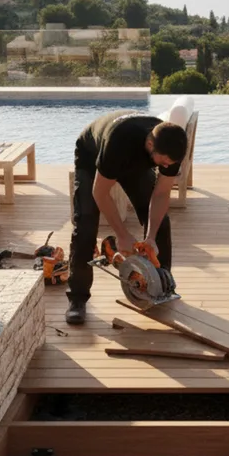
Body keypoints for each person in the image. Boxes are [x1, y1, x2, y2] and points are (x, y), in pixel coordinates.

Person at [66, 110, 188, 325]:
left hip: (134, 159)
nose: (167, 166)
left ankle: (161, 287)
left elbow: (161, 194)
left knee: (161, 224)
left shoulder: (172, 145)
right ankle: (77, 299)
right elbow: (100, 193)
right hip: (92, 154)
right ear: (151, 145)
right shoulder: (119, 141)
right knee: (86, 222)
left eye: (171, 163)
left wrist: (150, 237)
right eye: (165, 162)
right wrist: (122, 234)